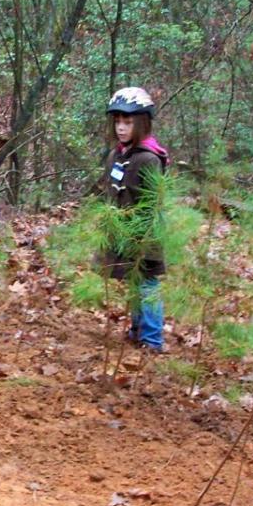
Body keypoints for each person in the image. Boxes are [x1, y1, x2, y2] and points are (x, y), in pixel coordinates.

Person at [100, 86, 169, 352]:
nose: (121, 127)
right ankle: (137, 329)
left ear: (141, 123)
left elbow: (153, 203)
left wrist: (141, 235)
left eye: (127, 122)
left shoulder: (148, 159)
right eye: (117, 121)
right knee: (134, 282)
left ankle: (152, 339)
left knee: (148, 284)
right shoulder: (116, 155)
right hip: (121, 231)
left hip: (145, 234)